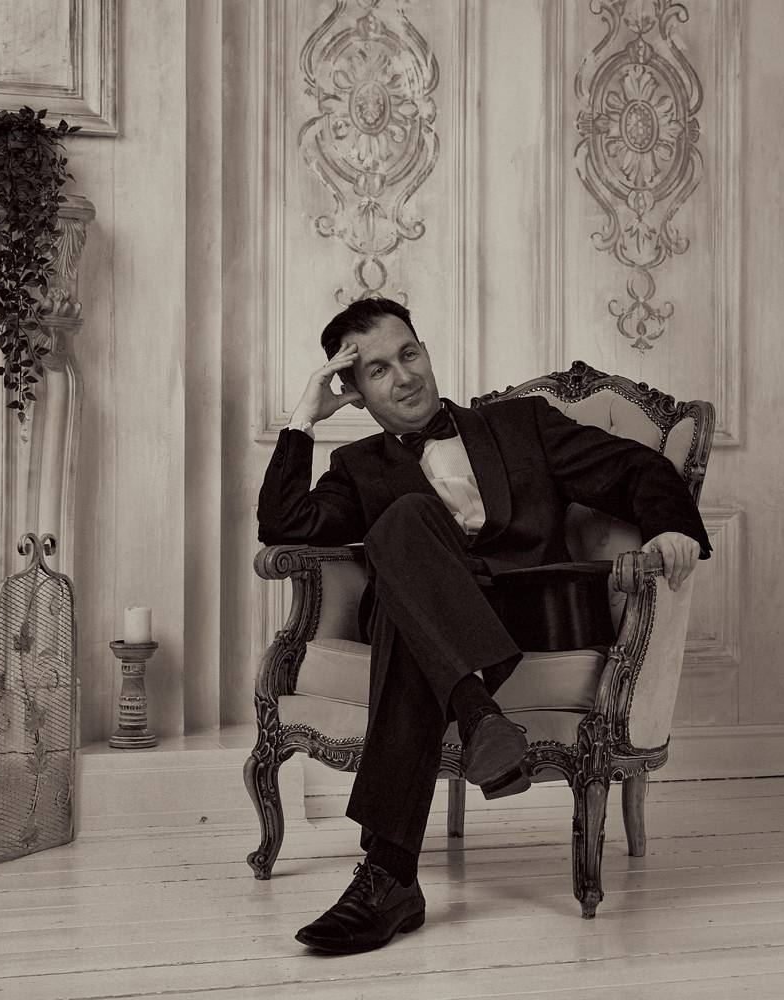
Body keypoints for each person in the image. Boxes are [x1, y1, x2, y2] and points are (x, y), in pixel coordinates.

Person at [257, 297, 710, 953]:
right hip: (424, 620)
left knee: (405, 597)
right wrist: (304, 416)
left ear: (425, 351)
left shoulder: (522, 423)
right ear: (353, 391)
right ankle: (469, 727)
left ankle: (391, 875)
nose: (404, 376)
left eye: (408, 354)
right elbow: (285, 524)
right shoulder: (357, 467)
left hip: (526, 613)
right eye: (378, 370)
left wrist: (669, 526)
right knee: (406, 528)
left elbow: (636, 465)